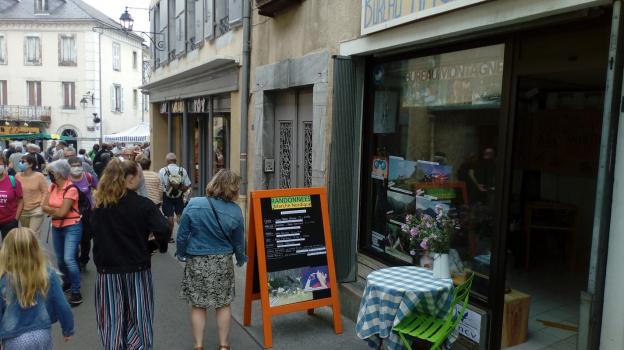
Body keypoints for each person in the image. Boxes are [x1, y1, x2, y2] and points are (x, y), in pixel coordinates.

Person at [91, 159, 169, 350]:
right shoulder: (143, 204)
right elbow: (163, 229)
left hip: (107, 272)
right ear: (130, 179)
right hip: (137, 269)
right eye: (139, 176)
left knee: (111, 322)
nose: (141, 179)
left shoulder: (100, 206)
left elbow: (88, 234)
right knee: (140, 319)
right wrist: (156, 246)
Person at [176, 169, 247, 350]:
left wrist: (182, 253)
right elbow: (239, 242)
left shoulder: (194, 203)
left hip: (197, 261)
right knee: (223, 303)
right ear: (233, 188)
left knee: (198, 305)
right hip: (222, 262)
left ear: (213, 183)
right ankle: (223, 345)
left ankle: (198, 345)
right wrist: (240, 259)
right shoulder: (235, 211)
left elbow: (182, 234)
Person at [0, 228, 74, 349]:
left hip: (14, 338)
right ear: (35, 249)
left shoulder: (3, 279)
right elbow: (62, 304)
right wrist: (68, 329)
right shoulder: (47, 274)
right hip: (42, 333)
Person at [42, 159, 83, 306]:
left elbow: (63, 212)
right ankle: (67, 282)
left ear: (58, 173)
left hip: (72, 226)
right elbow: (43, 206)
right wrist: (56, 212)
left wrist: (53, 211)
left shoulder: (71, 189)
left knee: (69, 259)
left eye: (51, 172)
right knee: (60, 259)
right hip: (56, 226)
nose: (50, 174)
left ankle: (76, 291)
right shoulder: (52, 187)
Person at [68, 156, 97, 271]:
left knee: (86, 238)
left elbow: (99, 188)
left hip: (87, 213)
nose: (76, 168)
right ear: (68, 167)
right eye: (73, 166)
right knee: (73, 237)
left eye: (78, 165)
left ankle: (84, 259)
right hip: (70, 212)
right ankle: (74, 260)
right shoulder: (65, 178)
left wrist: (96, 201)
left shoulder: (88, 177)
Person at [159, 152, 191, 243]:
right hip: (179, 195)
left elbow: (160, 185)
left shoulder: (162, 170)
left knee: (169, 216)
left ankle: (170, 237)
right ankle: (183, 235)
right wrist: (181, 190)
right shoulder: (182, 170)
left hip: (167, 195)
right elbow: (188, 184)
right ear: (176, 161)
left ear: (167, 161)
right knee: (180, 215)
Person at [15, 154, 47, 236]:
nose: (20, 163)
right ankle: (29, 249)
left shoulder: (39, 176)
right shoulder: (17, 176)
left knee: (33, 234)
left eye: (23, 162)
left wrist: (42, 205)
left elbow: (45, 192)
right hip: (23, 210)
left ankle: (35, 248)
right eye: (20, 161)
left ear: (31, 164)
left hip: (36, 209)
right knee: (26, 235)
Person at [0, 153, 23, 240]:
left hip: (9, 221)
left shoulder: (13, 181)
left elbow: (21, 200)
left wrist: (16, 219)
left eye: (0, 163)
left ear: (5, 165)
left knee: (9, 250)